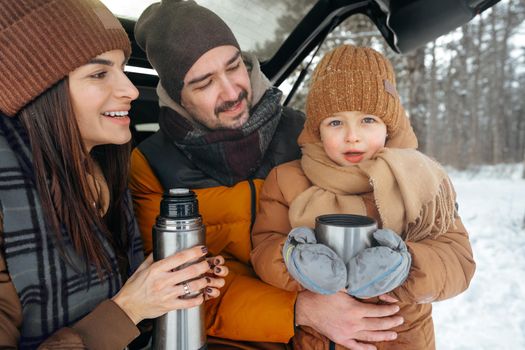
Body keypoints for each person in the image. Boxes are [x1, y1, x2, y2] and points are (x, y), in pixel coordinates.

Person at [129, 1, 409, 349]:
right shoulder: (152, 166)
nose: (232, 92)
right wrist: (299, 310)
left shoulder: (308, 136)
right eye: (204, 84)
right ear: (176, 95)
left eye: (235, 67)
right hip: (227, 339)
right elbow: (171, 293)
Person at [0, 0, 228, 348]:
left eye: (122, 68)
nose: (132, 90)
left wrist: (168, 287)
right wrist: (130, 308)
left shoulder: (109, 168)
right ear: (39, 91)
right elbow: (123, 310)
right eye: (98, 73)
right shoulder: (7, 199)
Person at [250, 44, 476, 349]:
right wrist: (292, 260)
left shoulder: (421, 179)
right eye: (335, 122)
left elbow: (457, 259)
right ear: (317, 129)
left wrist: (407, 266)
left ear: (389, 124)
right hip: (318, 340)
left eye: (368, 120)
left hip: (401, 337)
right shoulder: (288, 179)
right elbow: (264, 246)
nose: (352, 135)